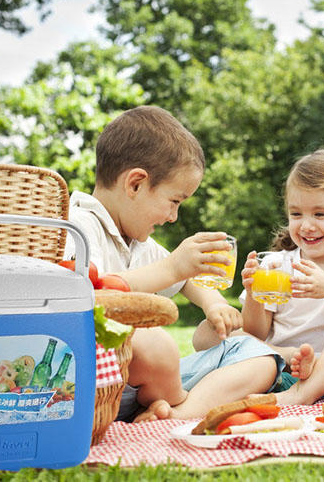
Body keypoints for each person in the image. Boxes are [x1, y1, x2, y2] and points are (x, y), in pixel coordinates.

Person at [64, 105, 284, 422]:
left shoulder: (137, 241)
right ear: (135, 184)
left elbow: (186, 279)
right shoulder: (79, 227)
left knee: (261, 356)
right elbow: (92, 292)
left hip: (145, 385)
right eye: (174, 202)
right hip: (98, 381)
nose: (173, 217)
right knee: (155, 342)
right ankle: (177, 403)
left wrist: (214, 304)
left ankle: (173, 412)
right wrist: (172, 268)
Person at [196, 149, 324, 405]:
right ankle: (285, 358)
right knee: (208, 333)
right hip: (281, 372)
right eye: (296, 214)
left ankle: (303, 394)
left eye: (320, 214)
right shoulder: (275, 263)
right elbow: (255, 332)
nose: (306, 225)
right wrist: (253, 294)